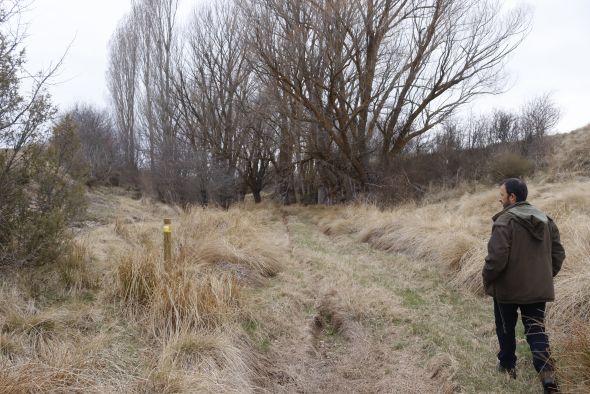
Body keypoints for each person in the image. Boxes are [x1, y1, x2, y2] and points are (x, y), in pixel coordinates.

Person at [482, 178, 565, 393]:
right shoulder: (546, 220)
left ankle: (508, 365)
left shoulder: (504, 221)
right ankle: (547, 376)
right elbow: (558, 254)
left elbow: (496, 259)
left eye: (502, 195)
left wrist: (487, 278)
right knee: (536, 331)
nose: (499, 199)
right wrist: (544, 276)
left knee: (505, 328)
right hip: (537, 290)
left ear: (512, 197)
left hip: (507, 290)